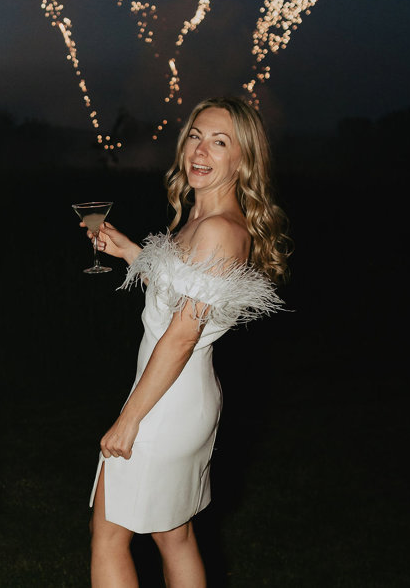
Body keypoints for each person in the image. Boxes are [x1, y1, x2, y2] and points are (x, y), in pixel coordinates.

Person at [84, 97, 290, 587]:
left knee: (108, 536)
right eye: (196, 135)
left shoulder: (218, 230)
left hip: (166, 402)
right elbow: (178, 295)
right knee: (173, 534)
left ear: (243, 159)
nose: (200, 150)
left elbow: (181, 336)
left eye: (219, 142)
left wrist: (128, 421)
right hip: (176, 393)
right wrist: (130, 251)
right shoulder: (201, 221)